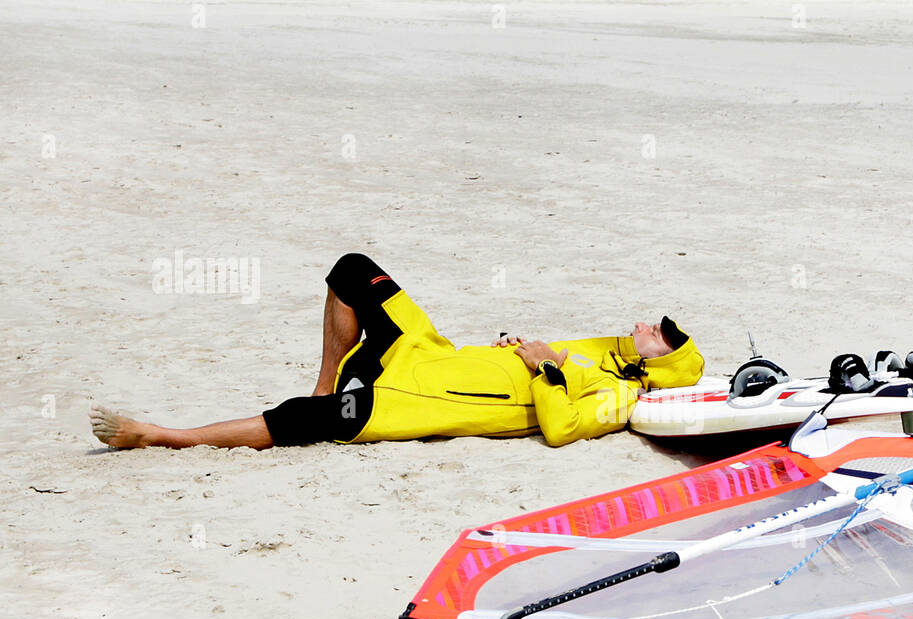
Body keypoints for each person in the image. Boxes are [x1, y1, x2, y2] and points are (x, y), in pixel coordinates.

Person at [90, 253, 705, 450]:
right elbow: (548, 360)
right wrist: (514, 349)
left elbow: (562, 427)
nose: (643, 326)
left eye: (657, 333)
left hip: (416, 401)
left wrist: (539, 364)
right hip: (426, 352)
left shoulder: (626, 396)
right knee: (353, 269)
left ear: (661, 362)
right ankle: (327, 377)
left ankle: (165, 435)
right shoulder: (610, 354)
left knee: (306, 425)